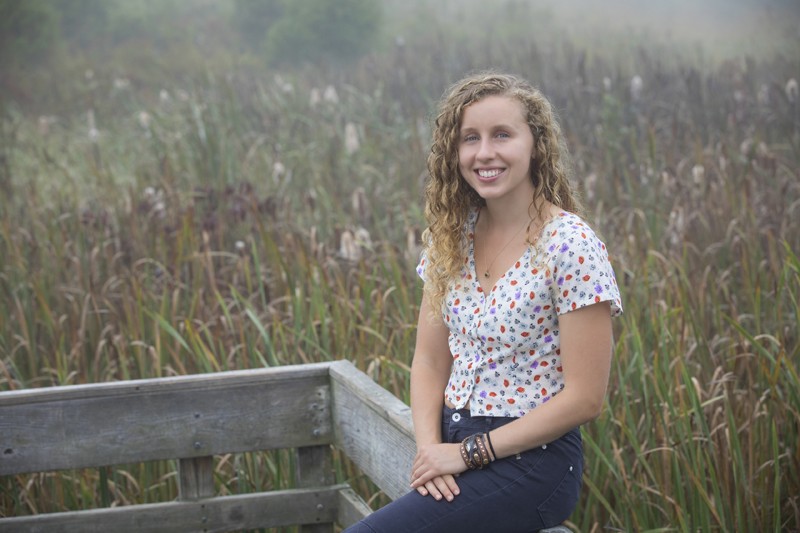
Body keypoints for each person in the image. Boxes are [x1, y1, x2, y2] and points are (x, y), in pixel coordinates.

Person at [344, 71, 623, 532]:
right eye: (470, 138)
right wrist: (431, 450)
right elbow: (429, 360)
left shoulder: (571, 245)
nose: (484, 152)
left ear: (536, 145)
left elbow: (585, 399)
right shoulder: (452, 237)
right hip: (452, 440)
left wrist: (467, 453)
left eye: (502, 135)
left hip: (532, 462)